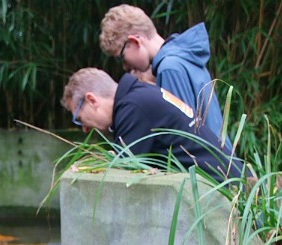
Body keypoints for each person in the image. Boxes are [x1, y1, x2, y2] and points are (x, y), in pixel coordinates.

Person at [61, 68, 244, 183]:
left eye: (78, 117)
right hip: (230, 179)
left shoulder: (132, 109)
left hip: (223, 189)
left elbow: (125, 169)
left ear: (92, 100)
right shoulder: (139, 96)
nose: (84, 128)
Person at [99, 4, 231, 148]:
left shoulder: (169, 68)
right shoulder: (184, 56)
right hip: (222, 159)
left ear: (134, 42)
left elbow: (182, 136)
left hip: (208, 166)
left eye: (122, 58)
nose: (124, 66)